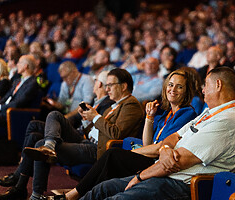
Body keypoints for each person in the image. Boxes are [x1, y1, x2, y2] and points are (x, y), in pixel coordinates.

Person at [78, 66, 235, 200]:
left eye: (206, 85)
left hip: (181, 183)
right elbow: (174, 137)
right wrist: (165, 149)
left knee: (115, 197)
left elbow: (179, 160)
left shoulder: (226, 121)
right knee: (103, 188)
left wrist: (140, 177)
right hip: (166, 173)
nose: (203, 90)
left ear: (218, 85)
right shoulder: (210, 112)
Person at [46, 69, 199, 200]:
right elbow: (148, 144)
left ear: (186, 91)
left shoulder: (186, 113)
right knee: (110, 166)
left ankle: (74, 194)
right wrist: (150, 118)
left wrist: (130, 152)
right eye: (171, 85)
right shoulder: (166, 114)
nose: (173, 89)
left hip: (160, 165)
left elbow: (160, 147)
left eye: (179, 87)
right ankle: (78, 193)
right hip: (151, 158)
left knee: (113, 154)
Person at [0, 68, 144, 200]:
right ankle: (49, 145)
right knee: (54, 115)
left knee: (38, 143)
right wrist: (86, 120)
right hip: (87, 141)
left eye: (110, 85)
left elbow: (115, 133)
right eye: (106, 85)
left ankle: (36, 194)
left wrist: (95, 117)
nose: (108, 89)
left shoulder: (131, 105)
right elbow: (96, 130)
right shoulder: (113, 106)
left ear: (124, 86)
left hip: (97, 150)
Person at [0, 55, 39, 130]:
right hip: (3, 113)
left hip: (14, 116)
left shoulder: (32, 83)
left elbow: (18, 103)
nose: (17, 64)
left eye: (19, 62)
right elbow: (6, 96)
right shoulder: (17, 81)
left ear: (26, 66)